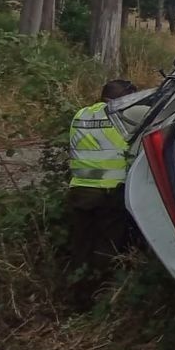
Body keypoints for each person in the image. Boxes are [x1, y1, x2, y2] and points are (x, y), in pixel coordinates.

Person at [68, 79, 137, 309]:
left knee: (81, 246)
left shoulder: (80, 115)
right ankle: (100, 299)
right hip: (109, 192)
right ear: (124, 98)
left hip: (80, 190)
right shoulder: (123, 118)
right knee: (107, 247)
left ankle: (77, 298)